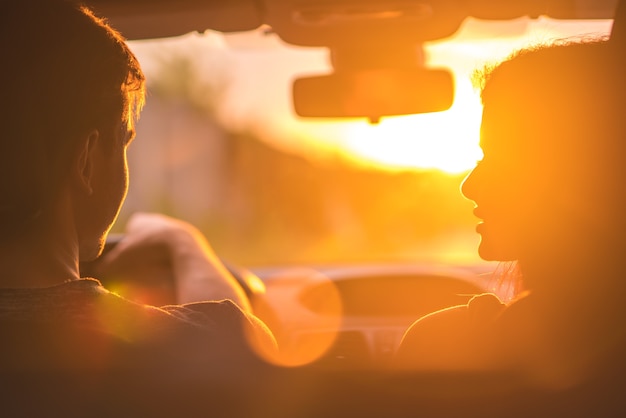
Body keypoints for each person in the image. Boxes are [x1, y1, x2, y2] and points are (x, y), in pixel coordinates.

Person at [0, 2, 277, 412]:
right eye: (124, 143)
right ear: (87, 160)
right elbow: (249, 341)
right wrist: (183, 241)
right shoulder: (203, 348)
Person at [396, 38, 626, 389]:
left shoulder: (447, 344)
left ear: (590, 170)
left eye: (500, 160)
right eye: (480, 159)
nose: (469, 186)